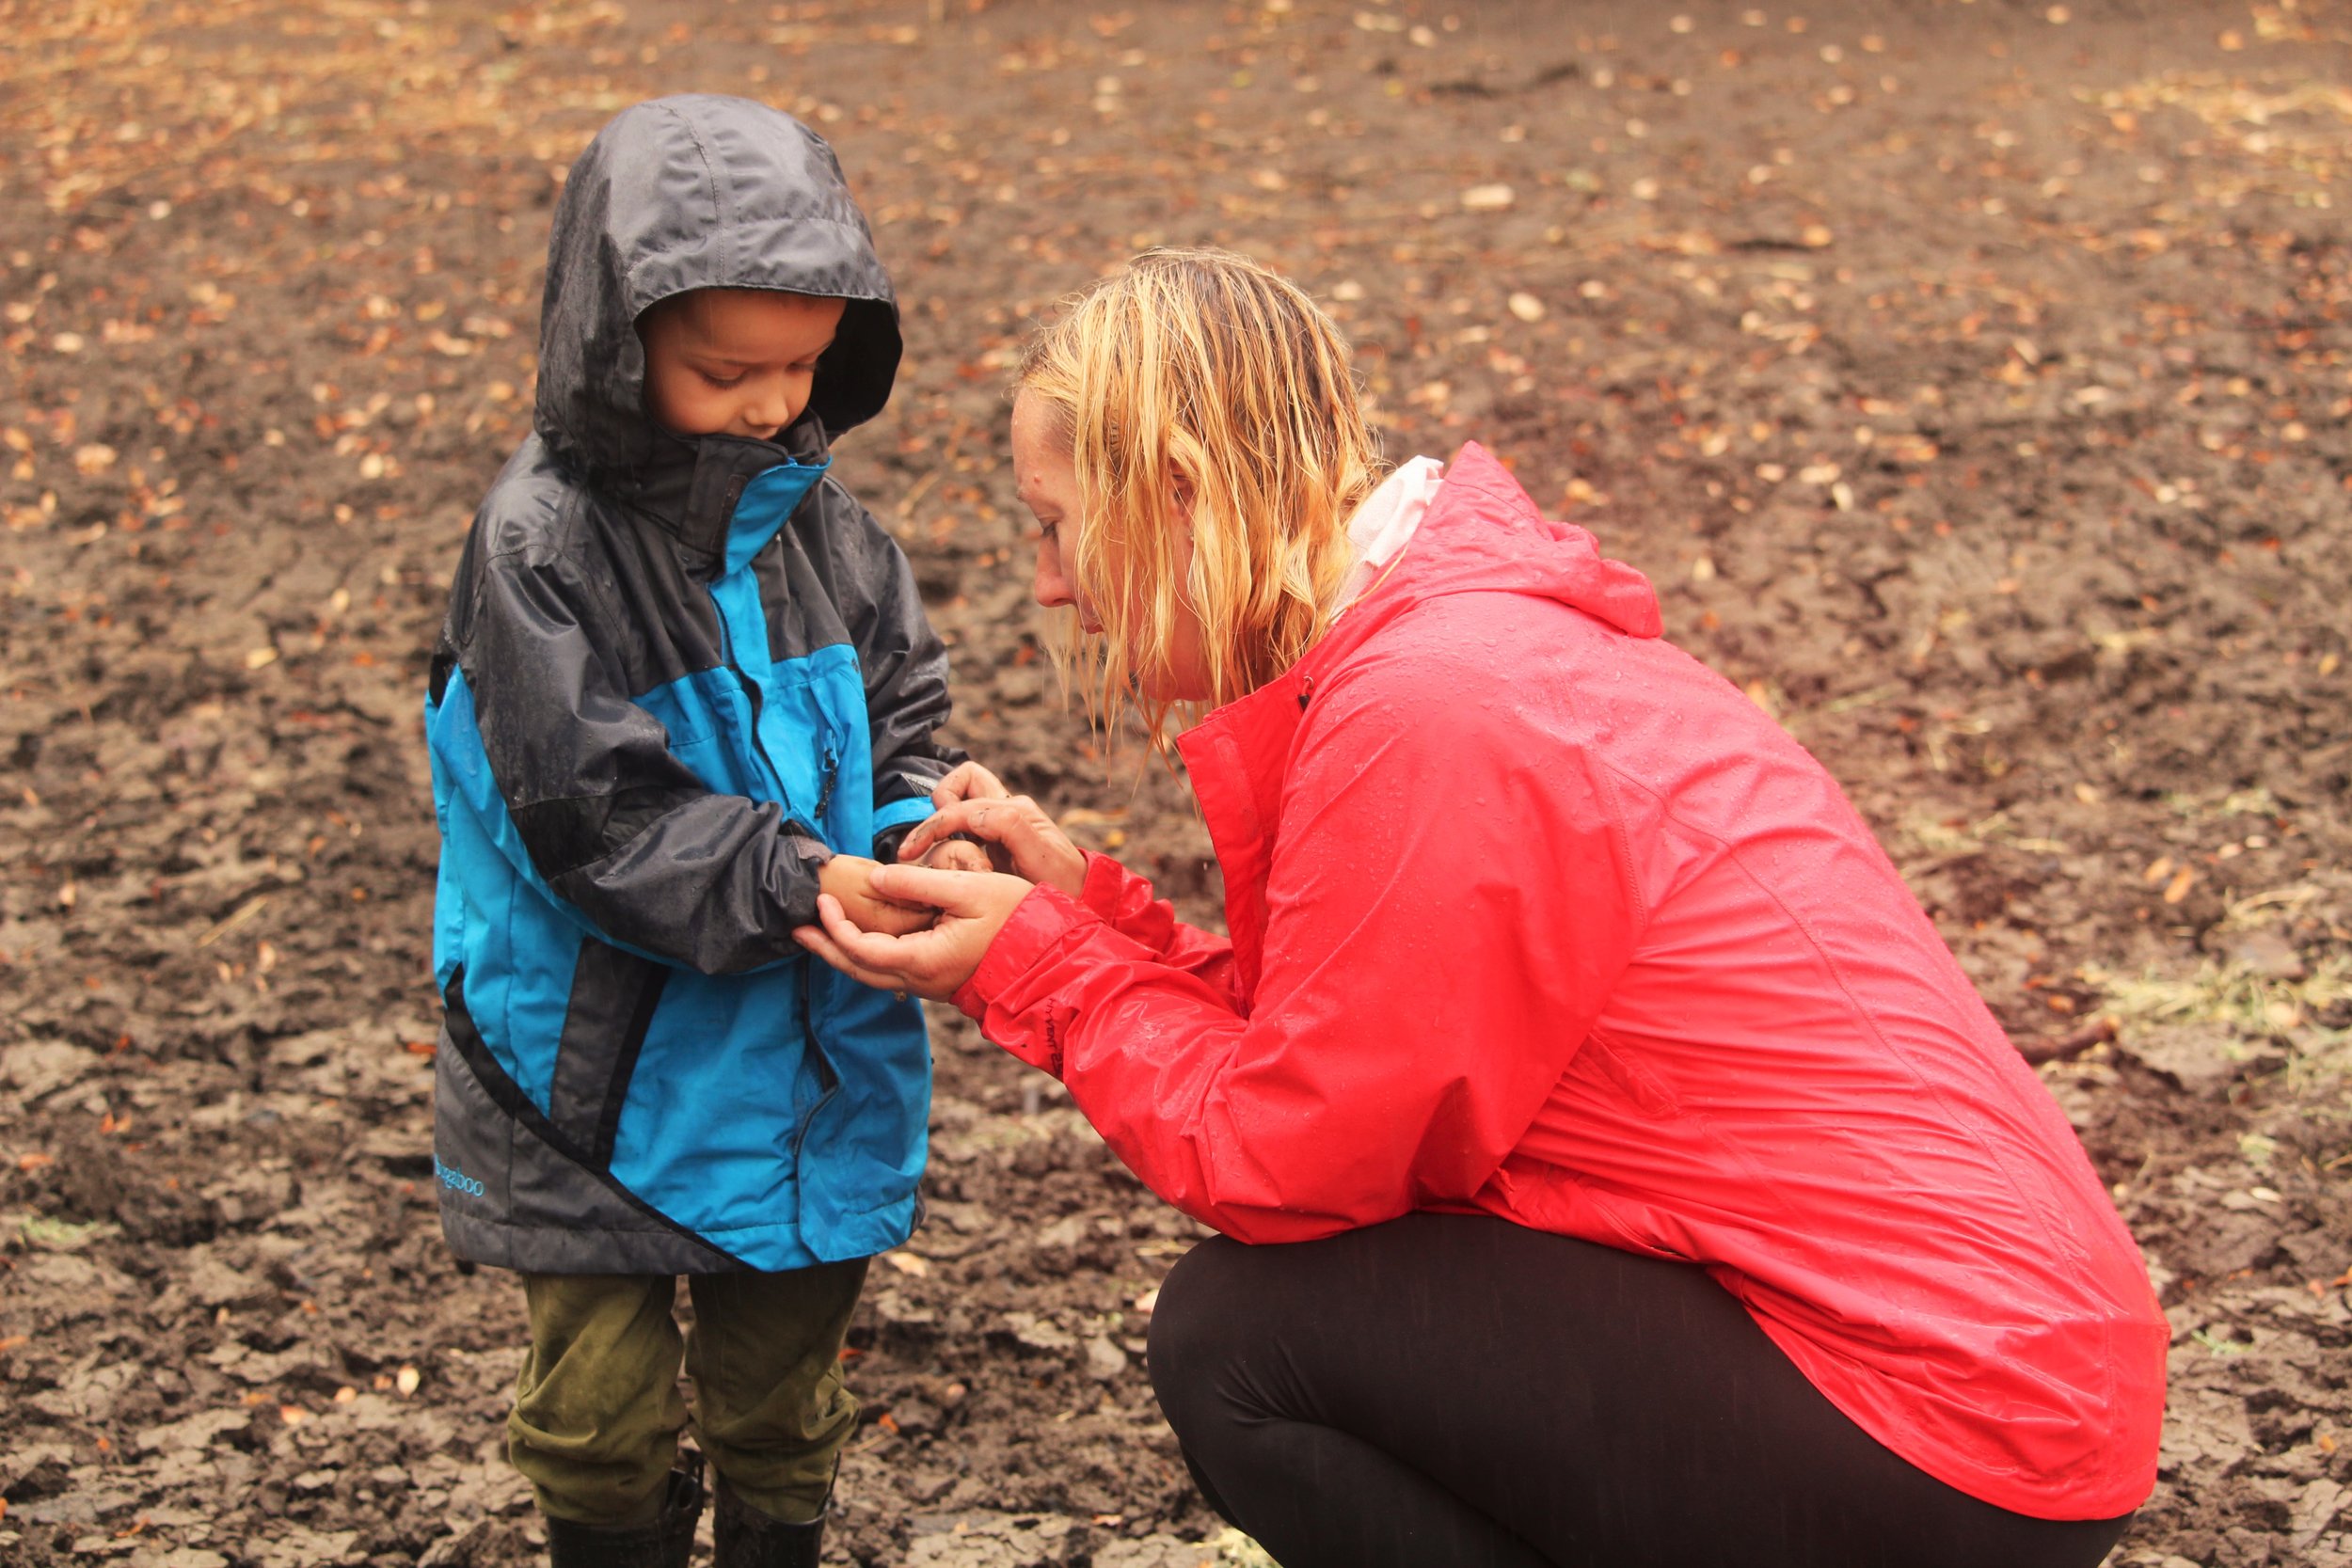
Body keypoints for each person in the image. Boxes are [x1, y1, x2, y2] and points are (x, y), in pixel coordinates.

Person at [794, 247, 2169, 1568]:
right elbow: (1347, 1050)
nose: (1050, 584)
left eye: (1055, 526)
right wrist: (1088, 916)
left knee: (1242, 1344)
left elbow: (1290, 1160)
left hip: (1946, 1424)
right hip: (2006, 1379)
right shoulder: (1449, 644)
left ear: (1175, 489)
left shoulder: (1429, 709)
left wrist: (1042, 971)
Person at [422, 95, 974, 1568]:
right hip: (594, 1072)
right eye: (725, 370)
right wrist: (802, 872)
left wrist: (923, 826)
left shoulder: (829, 532)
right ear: (617, 338)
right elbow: (591, 815)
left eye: (801, 367)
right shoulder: (537, 548)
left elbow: (907, 707)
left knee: (783, 1390)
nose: (768, 403)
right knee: (596, 1411)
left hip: (801, 1054)